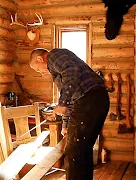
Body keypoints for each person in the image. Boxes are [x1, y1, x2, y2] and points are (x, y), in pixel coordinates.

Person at [29, 48, 109, 180]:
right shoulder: (59, 74)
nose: (42, 73)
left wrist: (62, 103)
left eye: (38, 69)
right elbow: (71, 101)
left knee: (74, 152)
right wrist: (66, 125)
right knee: (82, 150)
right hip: (93, 101)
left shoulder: (54, 56)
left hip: (90, 100)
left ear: (40, 59)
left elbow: (71, 72)